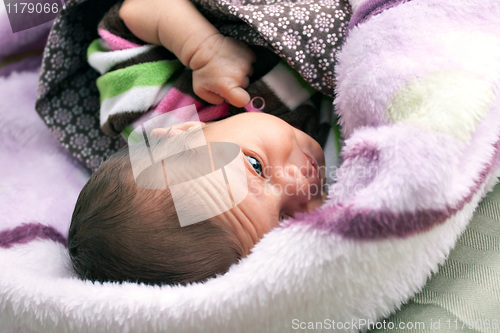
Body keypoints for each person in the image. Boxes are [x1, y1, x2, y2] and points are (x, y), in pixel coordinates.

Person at [68, 0, 335, 286]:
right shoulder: (343, 166)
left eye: (255, 165)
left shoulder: (157, 112)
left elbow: (133, 14)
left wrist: (203, 49)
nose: (299, 185)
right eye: (283, 219)